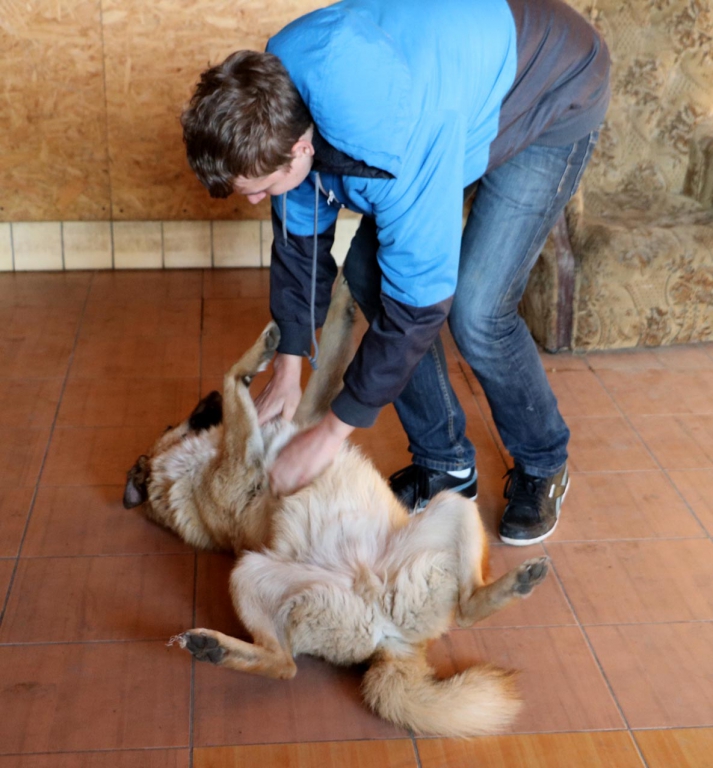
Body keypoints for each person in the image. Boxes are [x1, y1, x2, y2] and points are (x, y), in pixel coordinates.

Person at [181, 0, 610, 546]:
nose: (255, 201)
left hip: (551, 87)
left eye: (260, 189)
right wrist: (288, 364)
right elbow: (299, 240)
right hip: (453, 88)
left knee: (476, 309)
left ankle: (543, 460)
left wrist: (330, 433)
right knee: (368, 274)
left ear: (301, 148)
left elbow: (417, 306)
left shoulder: (393, 140)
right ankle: (445, 463)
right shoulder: (275, 98)